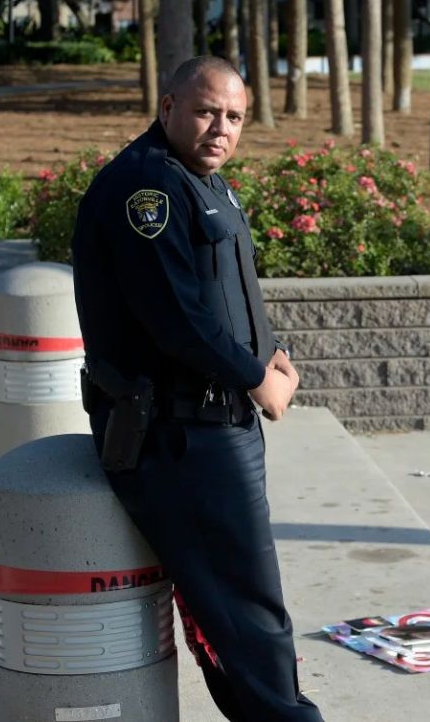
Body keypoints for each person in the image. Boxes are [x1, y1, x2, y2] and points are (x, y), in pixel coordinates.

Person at [71, 56, 324, 721]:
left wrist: (271, 355)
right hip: (181, 435)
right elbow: (176, 319)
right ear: (168, 107)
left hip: (215, 423)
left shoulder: (200, 180)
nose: (222, 127)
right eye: (208, 110)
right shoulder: (146, 189)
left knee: (238, 611)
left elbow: (224, 293)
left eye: (235, 117)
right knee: (246, 611)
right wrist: (256, 380)